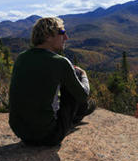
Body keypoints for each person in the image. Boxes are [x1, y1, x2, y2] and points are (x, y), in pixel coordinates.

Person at [8, 17, 95, 146]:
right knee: (76, 75)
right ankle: (77, 115)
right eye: (62, 32)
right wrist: (84, 75)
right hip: (49, 136)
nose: (66, 37)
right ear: (48, 36)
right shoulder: (60, 62)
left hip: (21, 132)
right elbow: (83, 95)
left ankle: (75, 114)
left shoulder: (21, 58)